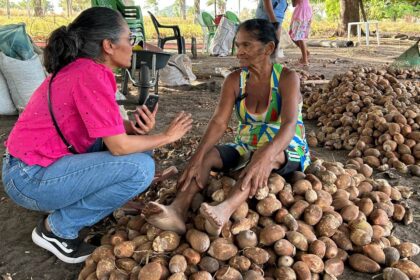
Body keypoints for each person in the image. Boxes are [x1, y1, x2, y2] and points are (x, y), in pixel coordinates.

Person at [1, 7, 192, 264]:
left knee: (141, 150)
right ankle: (57, 230)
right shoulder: (91, 75)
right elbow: (119, 148)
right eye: (129, 39)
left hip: (32, 168)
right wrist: (168, 136)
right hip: (29, 178)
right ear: (108, 45)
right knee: (140, 168)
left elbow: (102, 126)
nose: (132, 46)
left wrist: (130, 126)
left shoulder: (85, 69)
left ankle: (78, 203)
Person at [143, 19, 310, 235]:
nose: (238, 52)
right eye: (237, 45)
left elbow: (289, 125)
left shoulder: (287, 78)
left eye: (246, 45)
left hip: (285, 146)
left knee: (264, 156)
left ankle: (225, 209)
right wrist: (196, 158)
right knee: (209, 154)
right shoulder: (234, 80)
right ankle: (177, 209)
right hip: (246, 144)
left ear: (268, 48)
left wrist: (266, 155)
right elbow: (219, 123)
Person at [289, 0, 312, 66]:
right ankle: (306, 53)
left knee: (300, 37)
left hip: (301, 13)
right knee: (293, 36)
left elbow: (294, 4)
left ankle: (305, 60)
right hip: (304, 12)